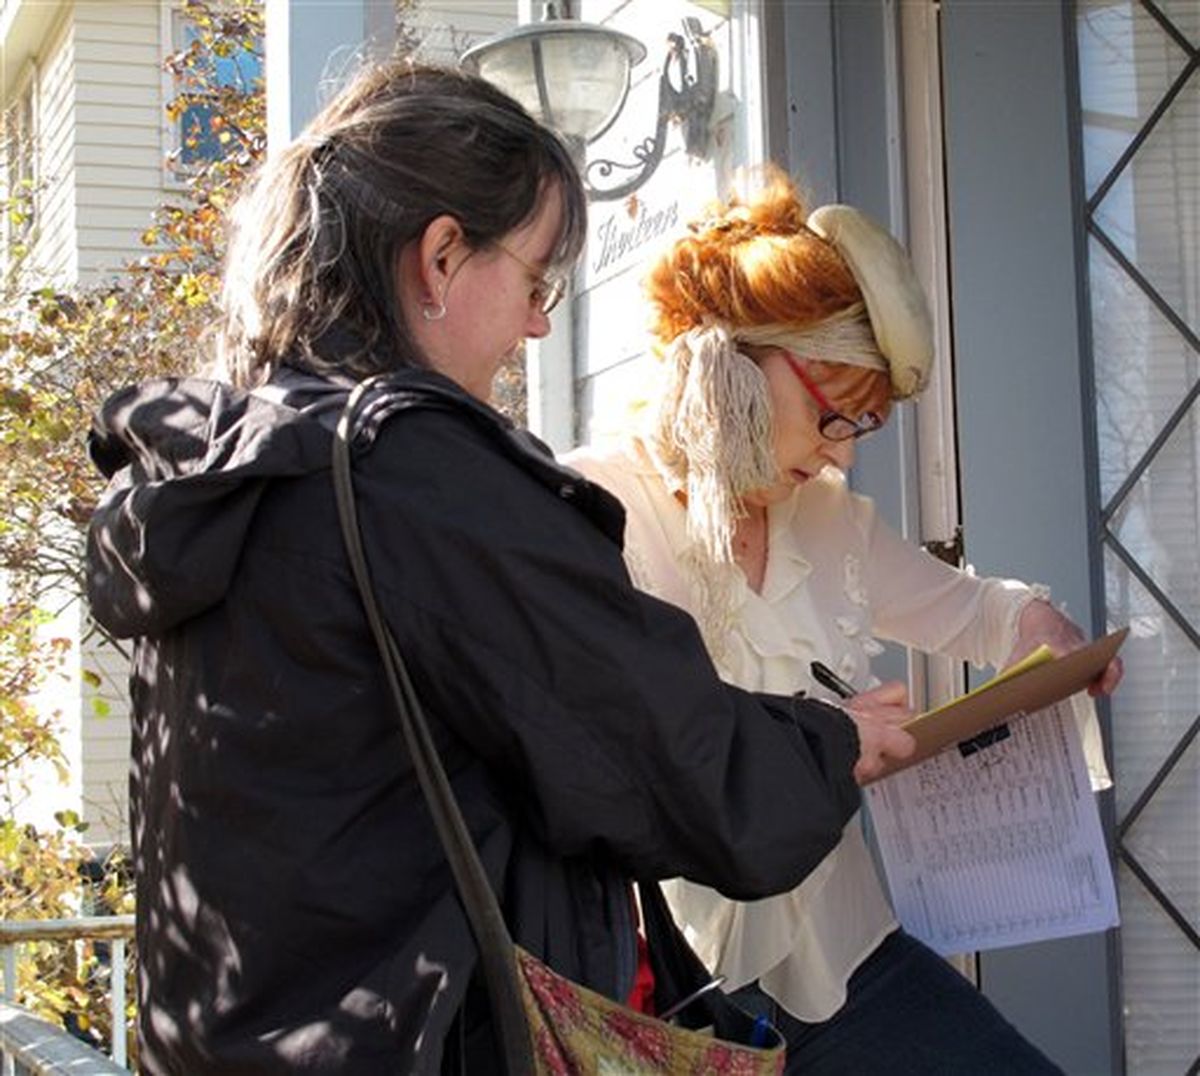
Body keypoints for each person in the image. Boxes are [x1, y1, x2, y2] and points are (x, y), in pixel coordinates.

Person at [84, 65, 916, 1074]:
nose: (536, 326)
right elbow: (668, 760)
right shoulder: (415, 476)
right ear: (439, 258)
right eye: (532, 281)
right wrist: (830, 746)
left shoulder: (223, 470)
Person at [564, 170, 1122, 1075]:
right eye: (834, 417)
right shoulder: (589, 512)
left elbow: (975, 611)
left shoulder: (830, 521)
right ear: (732, 369)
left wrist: (1035, 626)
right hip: (669, 996)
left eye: (864, 424)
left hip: (846, 966)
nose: (844, 453)